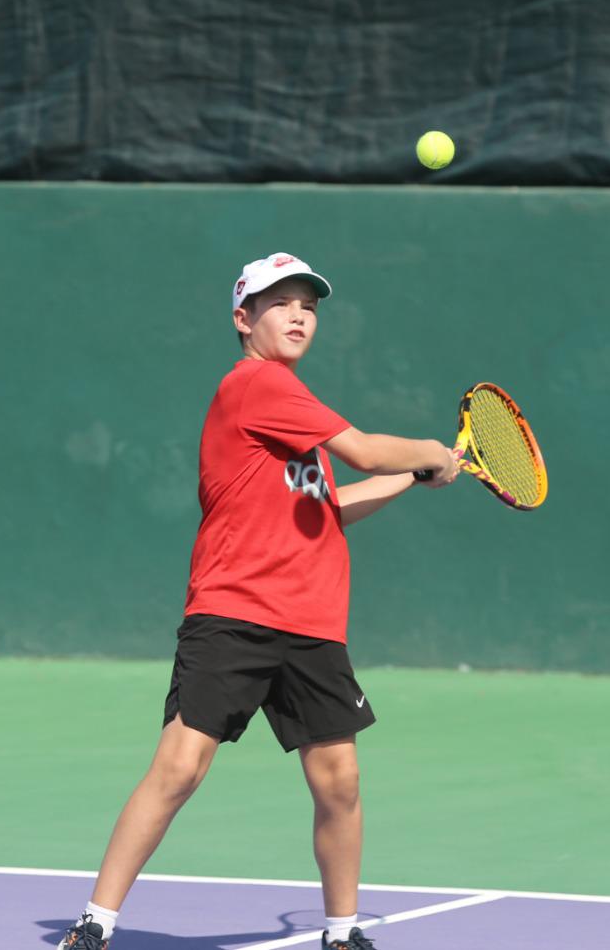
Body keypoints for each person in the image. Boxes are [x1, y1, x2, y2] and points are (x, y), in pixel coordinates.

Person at [56, 253, 458, 950]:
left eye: (310, 304)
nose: (300, 314)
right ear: (244, 319)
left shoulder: (292, 413)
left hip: (311, 625)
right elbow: (363, 450)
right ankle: (95, 923)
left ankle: (341, 932)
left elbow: (330, 505)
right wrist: (427, 448)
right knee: (180, 769)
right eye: (281, 303)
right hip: (234, 614)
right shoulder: (258, 386)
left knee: (340, 783)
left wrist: (414, 476)